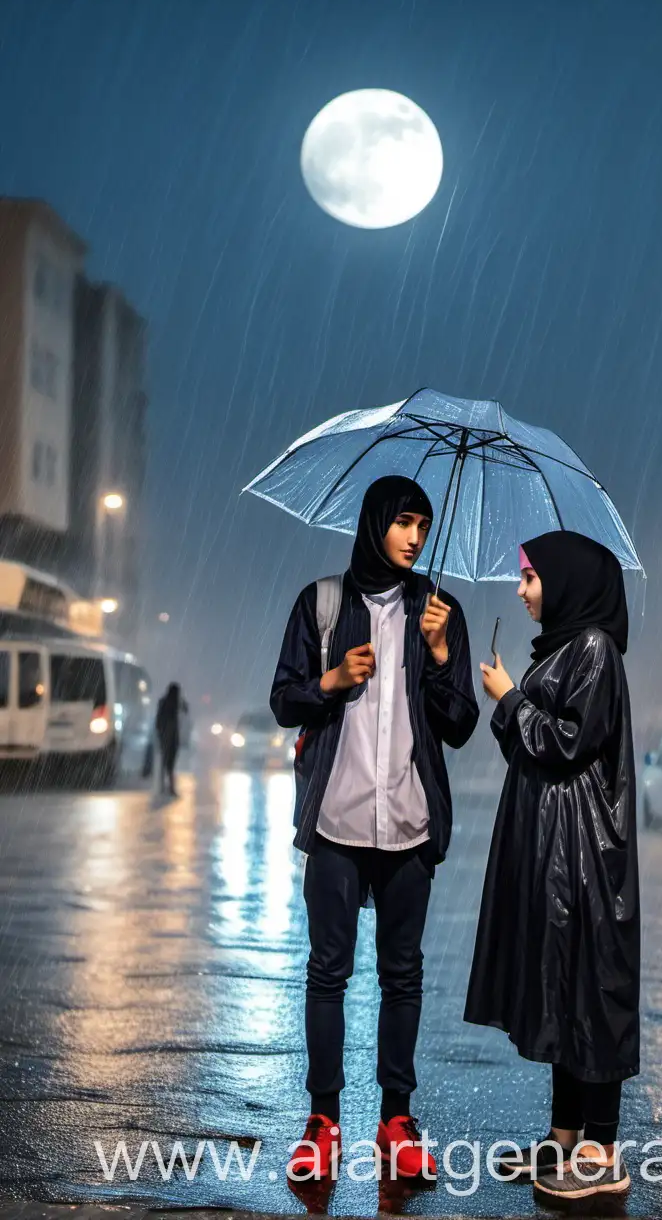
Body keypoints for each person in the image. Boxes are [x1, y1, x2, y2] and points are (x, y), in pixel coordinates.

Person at [270, 476, 479, 1184]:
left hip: (410, 824)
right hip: (337, 819)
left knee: (403, 975)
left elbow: (460, 726)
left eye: (424, 524)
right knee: (328, 973)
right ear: (375, 524)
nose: (416, 536)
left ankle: (397, 1117)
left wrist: (444, 657)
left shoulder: (438, 610)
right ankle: (322, 1121)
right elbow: (282, 700)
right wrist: (328, 683)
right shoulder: (323, 602)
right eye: (404, 522)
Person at [465, 531, 640, 1202]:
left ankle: (600, 1150)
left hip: (586, 856)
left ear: (566, 582)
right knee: (565, 992)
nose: (522, 589)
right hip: (558, 851)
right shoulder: (566, 650)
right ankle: (563, 1137)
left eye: (532, 578)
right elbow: (533, 749)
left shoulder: (593, 649)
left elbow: (565, 743)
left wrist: (511, 697)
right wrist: (511, 701)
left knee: (592, 993)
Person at [155, 682, 186, 796]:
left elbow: (158, 720)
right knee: (170, 763)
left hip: (167, 736)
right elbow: (185, 709)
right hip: (171, 736)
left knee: (166, 762)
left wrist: (160, 732)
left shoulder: (165, 702)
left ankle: (164, 786)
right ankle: (169, 787)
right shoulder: (173, 703)